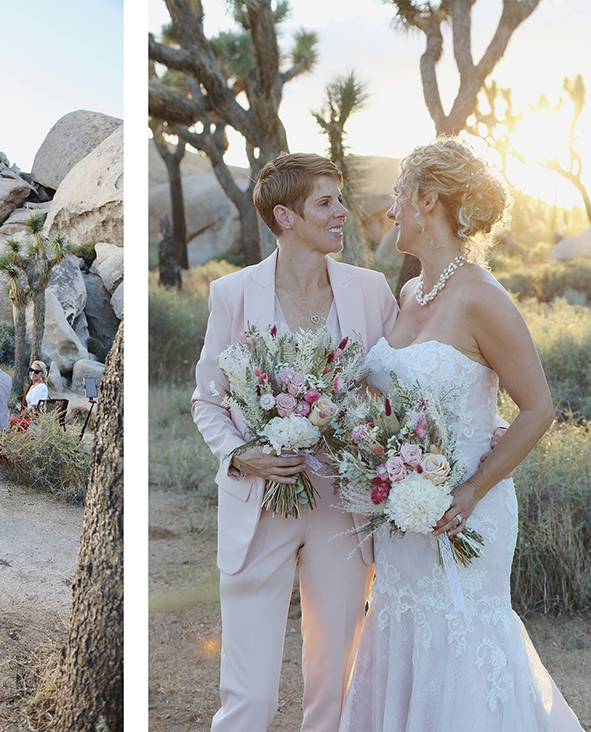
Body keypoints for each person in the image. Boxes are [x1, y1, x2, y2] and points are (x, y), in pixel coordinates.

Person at [339, 138, 584, 731]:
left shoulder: (482, 297)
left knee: (458, 640)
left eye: (400, 195)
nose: (391, 209)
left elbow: (538, 408)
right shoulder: (410, 292)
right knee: (401, 628)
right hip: (403, 513)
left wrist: (470, 491)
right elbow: (396, 398)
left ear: (428, 201)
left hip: (466, 512)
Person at [191, 153, 400, 732]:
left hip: (342, 508)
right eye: (325, 203)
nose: (341, 213)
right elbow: (207, 399)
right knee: (249, 698)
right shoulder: (232, 294)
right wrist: (240, 454)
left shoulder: (371, 290)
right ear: (284, 216)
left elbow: (401, 386)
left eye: (340, 199)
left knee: (333, 691)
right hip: (260, 507)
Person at [9, 360, 50, 430]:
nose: (33, 373)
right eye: (31, 370)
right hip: (28, 417)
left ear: (42, 373)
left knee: (8, 423)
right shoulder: (32, 387)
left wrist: (23, 413)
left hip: (34, 420)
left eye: (36, 371)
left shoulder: (41, 387)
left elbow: (34, 407)